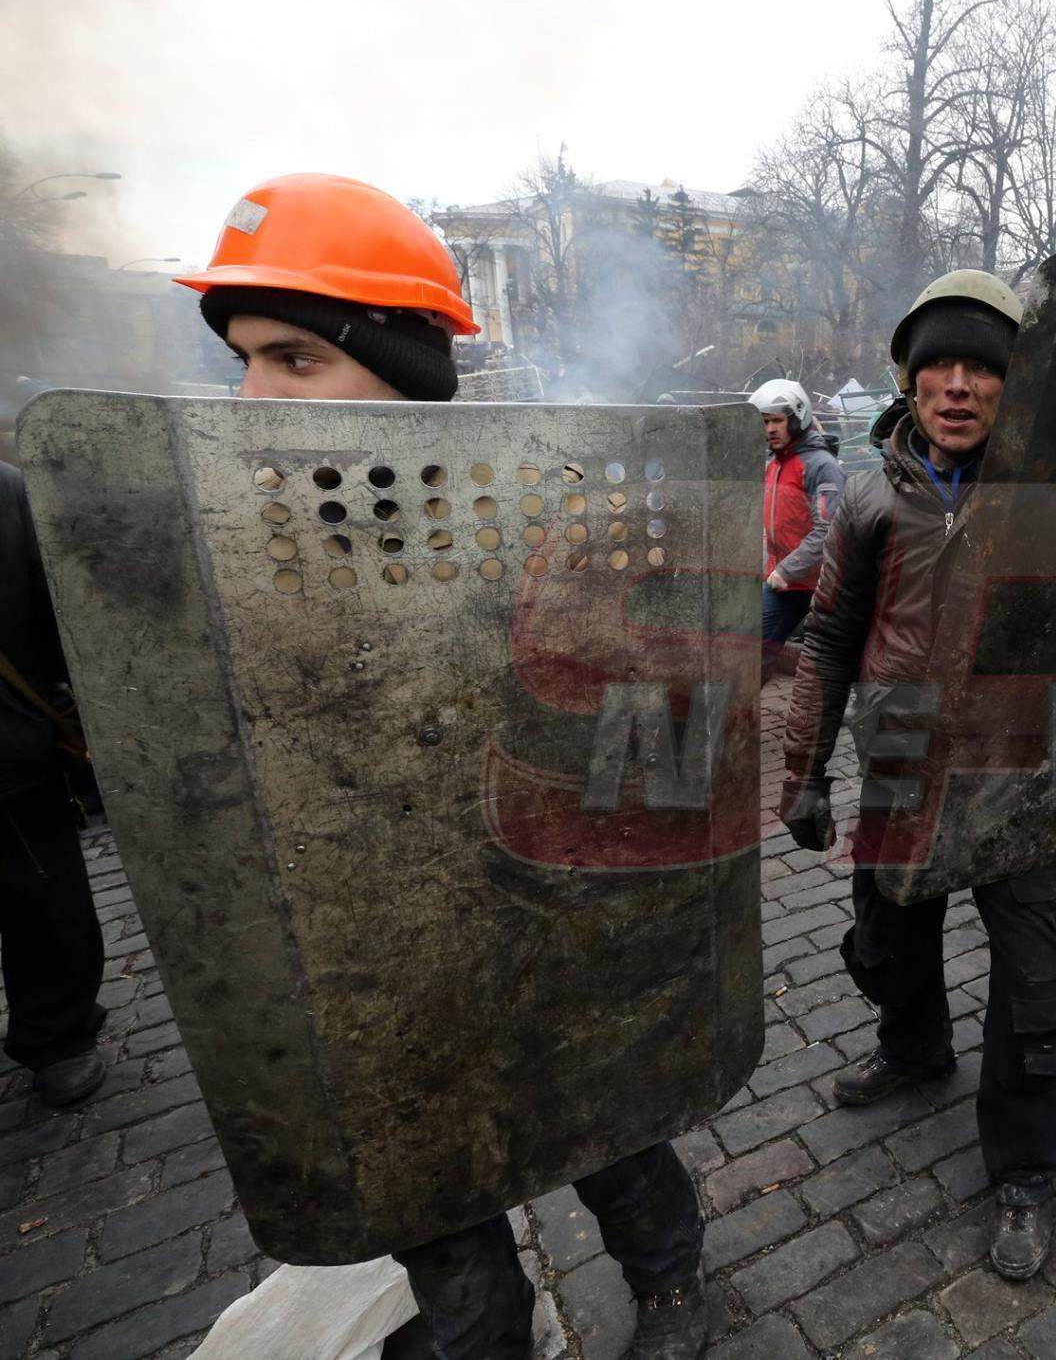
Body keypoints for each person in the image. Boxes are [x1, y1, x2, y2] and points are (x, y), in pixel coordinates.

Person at [175, 173, 712, 1360]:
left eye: (296, 360)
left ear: (400, 367)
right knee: (442, 1223)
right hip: (388, 967)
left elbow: (646, 740)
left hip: (556, 933)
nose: (256, 398)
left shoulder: (558, 522)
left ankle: (672, 1286)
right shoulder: (246, 547)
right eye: (245, 362)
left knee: (616, 1143)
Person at [779, 269, 1056, 1282]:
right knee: (883, 944)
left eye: (980, 368)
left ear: (1010, 386)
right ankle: (913, 1048)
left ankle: (1024, 1169)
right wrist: (804, 770)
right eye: (935, 366)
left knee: (1037, 988)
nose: (955, 387)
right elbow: (827, 635)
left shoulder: (1055, 495)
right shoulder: (867, 497)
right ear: (907, 383)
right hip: (900, 771)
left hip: (1019, 783)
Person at [0, 461, 109, 1109]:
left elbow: (59, 612)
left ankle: (56, 1032)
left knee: (41, 900)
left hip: (10, 756)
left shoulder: (7, 493)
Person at [755, 379, 844, 664]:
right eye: (766, 421)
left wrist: (787, 569)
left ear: (797, 418)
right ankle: (742, 708)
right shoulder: (775, 464)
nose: (770, 429)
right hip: (784, 583)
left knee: (835, 663)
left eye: (777, 421)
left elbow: (829, 530)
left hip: (823, 585)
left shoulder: (820, 466)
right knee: (755, 654)